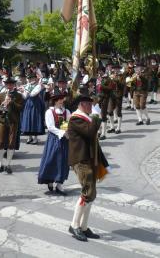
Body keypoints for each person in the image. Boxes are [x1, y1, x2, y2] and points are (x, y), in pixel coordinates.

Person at [68, 94, 102, 242]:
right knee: (88, 191)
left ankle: (83, 226)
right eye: (89, 105)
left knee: (92, 193)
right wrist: (95, 117)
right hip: (81, 160)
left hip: (90, 159)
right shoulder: (76, 118)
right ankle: (74, 225)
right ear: (82, 105)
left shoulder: (85, 118)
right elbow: (90, 132)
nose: (91, 107)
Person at [38, 87, 71, 195]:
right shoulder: (50, 112)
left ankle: (60, 184)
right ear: (55, 101)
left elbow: (69, 124)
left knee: (63, 161)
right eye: (59, 99)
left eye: (62, 99)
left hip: (65, 139)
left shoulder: (66, 111)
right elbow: (50, 127)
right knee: (52, 159)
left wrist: (68, 132)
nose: (61, 101)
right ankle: (50, 180)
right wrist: (62, 133)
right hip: (54, 139)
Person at [0, 75, 24, 174]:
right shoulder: (1, 95)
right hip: (2, 121)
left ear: (14, 85)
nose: (9, 86)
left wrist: (12, 102)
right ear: (5, 85)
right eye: (7, 84)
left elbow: (20, 108)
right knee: (0, 143)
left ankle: (8, 164)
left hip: (13, 121)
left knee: (11, 143)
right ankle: (0, 163)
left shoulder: (19, 96)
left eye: (11, 84)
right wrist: (2, 106)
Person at [21, 72, 45, 145]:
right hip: (28, 103)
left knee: (35, 119)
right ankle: (29, 137)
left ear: (35, 78)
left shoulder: (38, 86)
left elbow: (33, 94)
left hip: (36, 104)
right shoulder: (28, 86)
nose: (31, 79)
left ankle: (35, 138)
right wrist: (22, 91)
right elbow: (25, 97)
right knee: (28, 118)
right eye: (30, 78)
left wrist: (26, 89)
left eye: (33, 78)